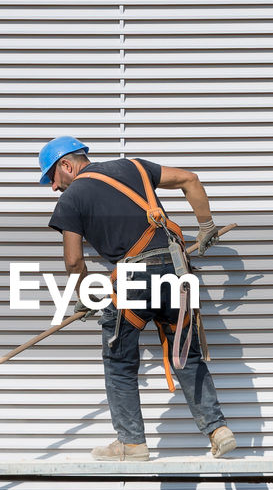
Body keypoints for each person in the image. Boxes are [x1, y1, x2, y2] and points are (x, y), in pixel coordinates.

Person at [39, 134, 237, 460]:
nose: (53, 187)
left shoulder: (72, 199)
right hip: (175, 270)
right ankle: (219, 430)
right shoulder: (134, 167)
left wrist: (85, 293)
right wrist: (206, 226)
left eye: (52, 177)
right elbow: (190, 179)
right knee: (186, 356)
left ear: (67, 165)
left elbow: (74, 261)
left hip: (134, 279)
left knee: (119, 362)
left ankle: (132, 443)